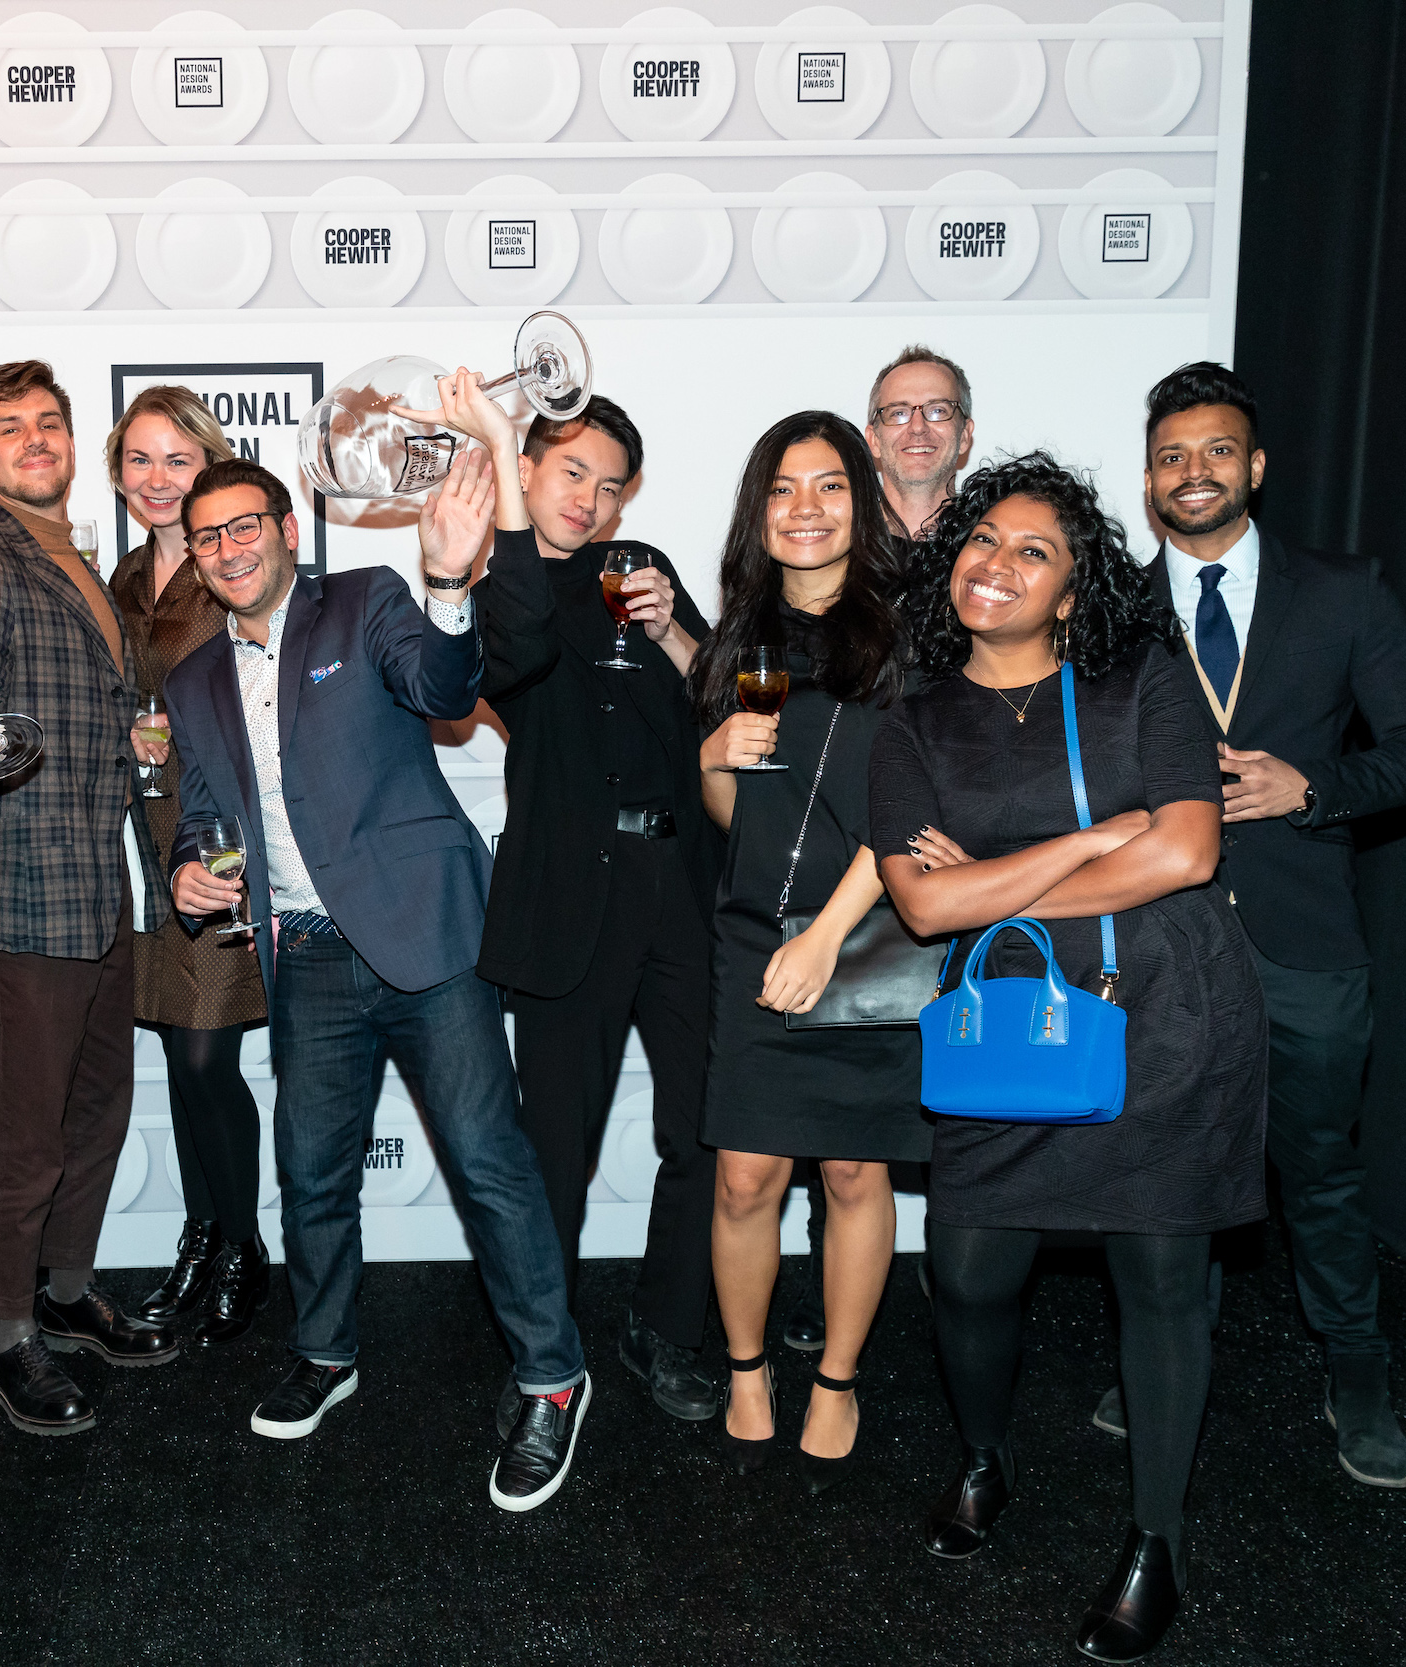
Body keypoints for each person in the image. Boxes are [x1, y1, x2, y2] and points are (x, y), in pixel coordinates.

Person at [873, 453, 1268, 1663]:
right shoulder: (909, 714)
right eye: (983, 540)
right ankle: (986, 1460)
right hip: (1007, 1031)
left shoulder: (1140, 675)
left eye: (1033, 550)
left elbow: (1188, 853)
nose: (998, 562)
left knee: (1159, 1284)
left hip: (1168, 1014)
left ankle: (1158, 1538)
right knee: (971, 1274)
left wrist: (1000, 883)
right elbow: (924, 909)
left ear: (1072, 584)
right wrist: (1095, 835)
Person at [161, 440, 590, 1512]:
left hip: (425, 935)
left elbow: (446, 687)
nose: (226, 547)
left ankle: (551, 1374)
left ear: (287, 531)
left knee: (489, 1164)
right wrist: (186, 868)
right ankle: (325, 1347)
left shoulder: (364, 600)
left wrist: (449, 582)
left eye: (244, 525)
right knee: (309, 1173)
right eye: (206, 535)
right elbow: (207, 809)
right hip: (304, 949)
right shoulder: (192, 676)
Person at [1091, 362, 1406, 1488]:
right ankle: (1162, 1352)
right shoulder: (1109, 608)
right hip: (1159, 939)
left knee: (1319, 1171)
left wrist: (1315, 788)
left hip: (1304, 937)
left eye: (1212, 452)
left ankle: (1356, 1372)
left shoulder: (1345, 592)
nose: (1190, 472)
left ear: (1253, 466)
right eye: (1168, 456)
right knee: (1164, 1168)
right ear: (1146, 478)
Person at [449, 394, 723, 1423]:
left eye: (609, 483)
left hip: (682, 889)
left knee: (702, 1129)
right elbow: (510, 659)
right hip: (572, 894)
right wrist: (510, 521)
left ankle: (667, 1325)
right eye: (571, 473)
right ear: (525, 471)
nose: (592, 499)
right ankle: (544, 1345)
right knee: (556, 1142)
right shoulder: (497, 586)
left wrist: (679, 639)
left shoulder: (641, 567)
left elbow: (745, 709)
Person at [0, 360, 179, 1438]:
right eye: (7, 428)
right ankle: (5, 1333)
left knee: (96, 1114)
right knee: (22, 1133)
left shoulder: (92, 565)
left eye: (50, 422)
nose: (34, 439)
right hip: (21, 892)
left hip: (99, 887)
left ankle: (66, 1290)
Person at [692, 412, 927, 1487]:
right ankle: (748, 1368)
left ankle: (835, 1376)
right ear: (759, 510)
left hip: (867, 933)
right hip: (754, 935)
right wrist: (712, 754)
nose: (805, 508)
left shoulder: (907, 638)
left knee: (849, 1166)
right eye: (783, 488)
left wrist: (830, 934)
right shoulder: (741, 642)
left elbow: (915, 812)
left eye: (828, 486)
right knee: (743, 1178)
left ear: (860, 503)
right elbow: (735, 810)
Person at [101, 386, 272, 1344]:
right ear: (119, 473)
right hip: (133, 840)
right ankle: (204, 1236)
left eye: (178, 459)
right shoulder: (116, 578)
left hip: (217, 840)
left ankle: (243, 1248)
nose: (159, 479)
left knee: (208, 1053)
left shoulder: (234, 566)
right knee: (177, 1051)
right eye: (140, 460)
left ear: (209, 463)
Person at [864, 345, 976, 538]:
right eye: (898, 413)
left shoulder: (991, 550)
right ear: (874, 440)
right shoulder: (839, 546)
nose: (918, 427)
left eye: (937, 411)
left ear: (965, 435)